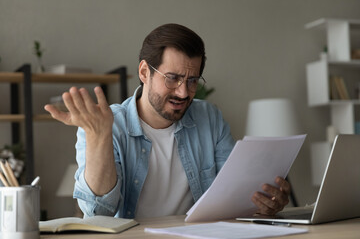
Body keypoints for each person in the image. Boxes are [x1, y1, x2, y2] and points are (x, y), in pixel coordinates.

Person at [44, 23, 290, 219]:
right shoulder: (106, 124)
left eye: (192, 80)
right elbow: (98, 213)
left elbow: (233, 197)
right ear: (144, 72)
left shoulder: (209, 117)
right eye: (172, 78)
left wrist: (261, 204)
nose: (183, 92)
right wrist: (100, 138)